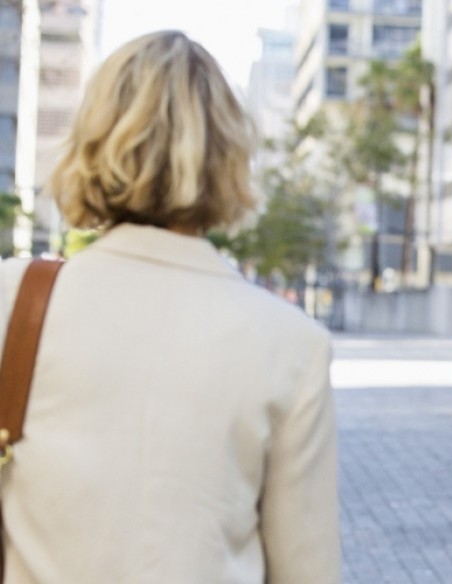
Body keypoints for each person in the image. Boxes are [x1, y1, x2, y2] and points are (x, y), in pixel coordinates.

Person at [0, 31, 340, 583]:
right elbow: (306, 570)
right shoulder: (292, 343)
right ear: (229, 157)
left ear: (91, 141)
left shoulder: (15, 301)